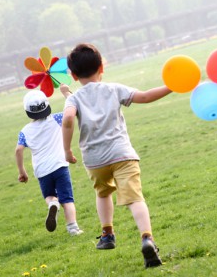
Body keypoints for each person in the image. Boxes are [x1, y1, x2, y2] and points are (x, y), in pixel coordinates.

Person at [62, 43, 171, 268]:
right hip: (122, 154)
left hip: (95, 160)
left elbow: (68, 119)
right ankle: (147, 238)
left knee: (103, 194)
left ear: (73, 75)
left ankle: (107, 234)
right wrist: (173, 86)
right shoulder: (113, 89)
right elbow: (146, 97)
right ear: (102, 67)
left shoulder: (74, 99)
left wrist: (67, 149)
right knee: (135, 198)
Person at [16, 86, 84, 236]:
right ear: (47, 105)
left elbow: (19, 150)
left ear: (28, 111)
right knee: (67, 199)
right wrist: (66, 93)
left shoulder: (25, 131)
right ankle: (73, 228)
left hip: (42, 171)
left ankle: (52, 204)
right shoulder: (57, 119)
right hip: (60, 165)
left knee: (49, 196)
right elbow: (74, 111)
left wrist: (22, 172)